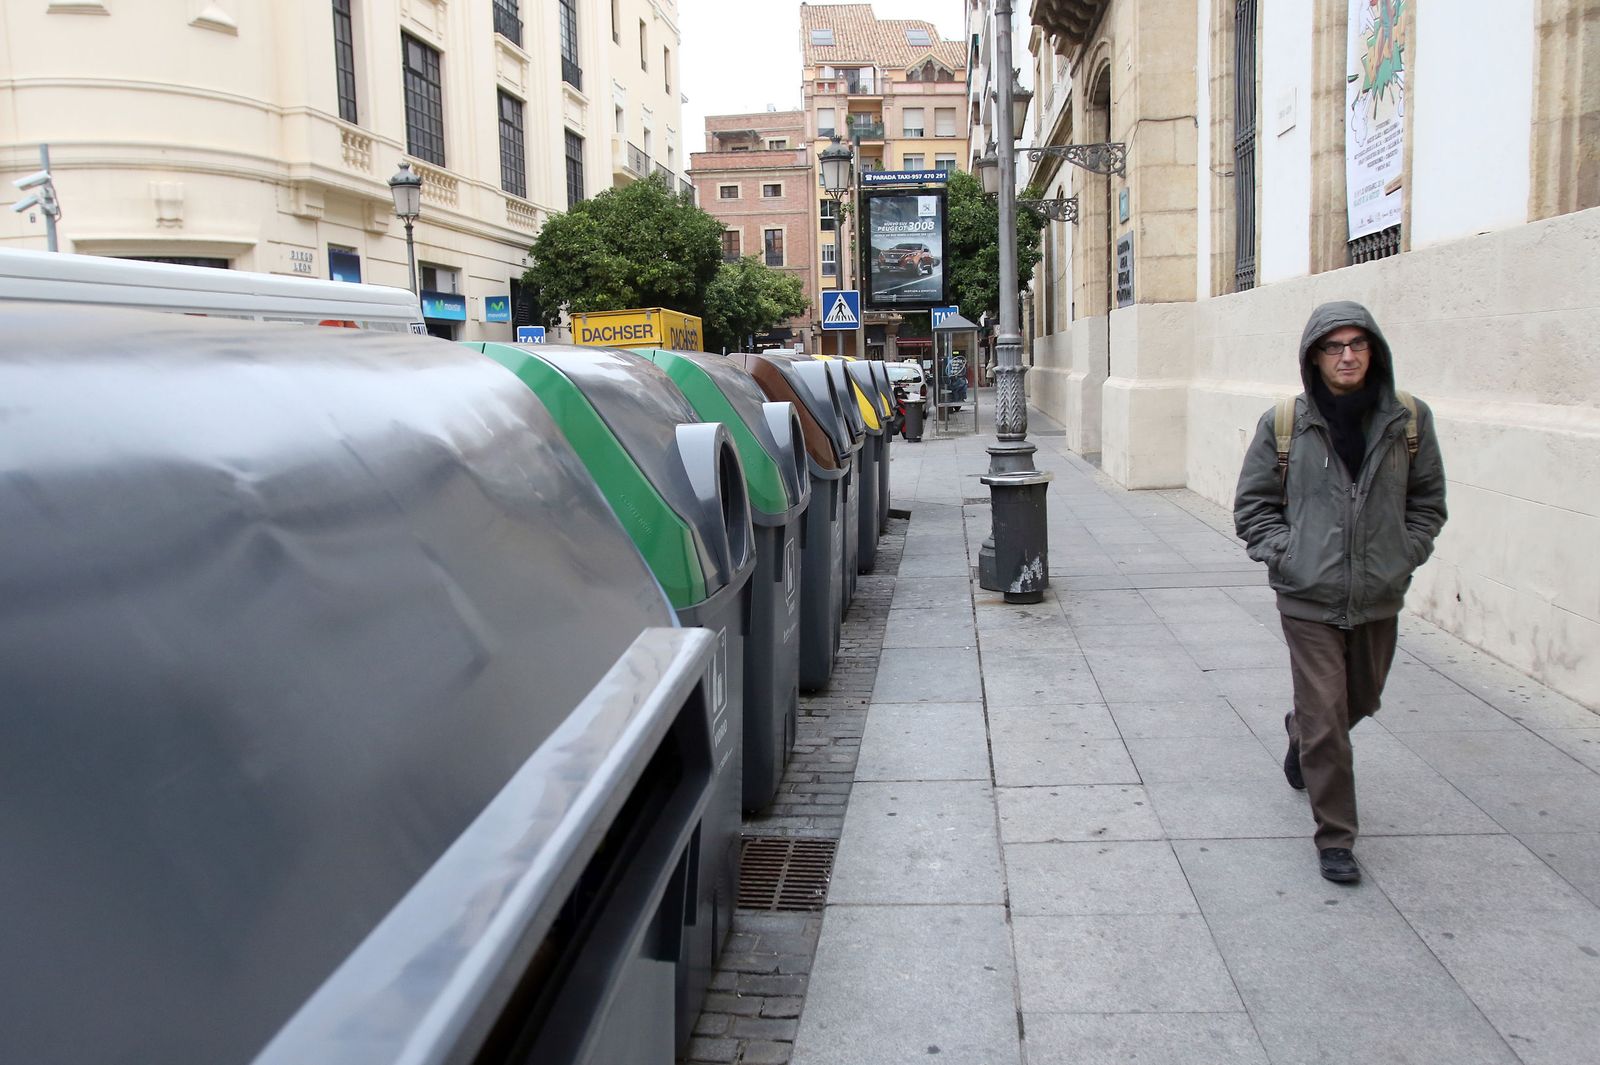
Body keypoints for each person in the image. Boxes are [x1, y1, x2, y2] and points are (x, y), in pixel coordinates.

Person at [1233, 301, 1447, 884]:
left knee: (1361, 700)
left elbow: (1427, 502)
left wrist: (1404, 554)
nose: (1347, 356)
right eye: (1334, 346)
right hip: (1308, 595)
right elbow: (1254, 507)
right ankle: (1336, 839)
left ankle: (1301, 734)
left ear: (1374, 351)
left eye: (1357, 344)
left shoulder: (1408, 421)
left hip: (1378, 592)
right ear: (1314, 357)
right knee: (1329, 713)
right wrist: (1288, 556)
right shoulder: (1285, 424)